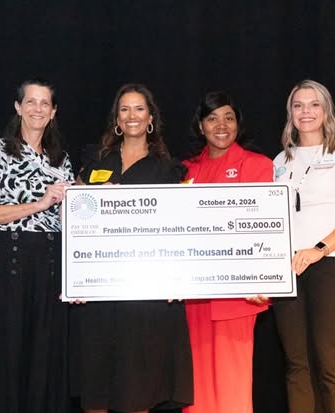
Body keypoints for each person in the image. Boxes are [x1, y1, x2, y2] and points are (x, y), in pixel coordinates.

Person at [74, 83, 193, 413]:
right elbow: (73, 216)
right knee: (96, 388)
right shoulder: (96, 159)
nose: (132, 116)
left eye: (139, 108)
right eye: (124, 109)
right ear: (116, 117)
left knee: (137, 389)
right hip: (99, 290)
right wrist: (76, 276)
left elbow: (180, 229)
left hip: (146, 293)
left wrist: (177, 277)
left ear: (151, 116)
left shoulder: (170, 169)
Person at [0, 78, 75, 413]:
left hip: (50, 264)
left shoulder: (62, 160)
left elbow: (78, 213)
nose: (37, 109)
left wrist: (108, 196)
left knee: (44, 355)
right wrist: (39, 204)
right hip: (7, 261)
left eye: (45, 103)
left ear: (54, 112)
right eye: (30, 102)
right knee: (5, 352)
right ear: (18, 107)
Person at [273, 79, 335, 413]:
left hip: (329, 264)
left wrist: (317, 250)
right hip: (287, 271)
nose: (306, 112)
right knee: (295, 364)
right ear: (290, 112)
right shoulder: (278, 162)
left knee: (329, 361)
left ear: (326, 109)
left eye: (314, 104)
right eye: (299, 105)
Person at [182, 90, 273, 413]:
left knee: (232, 386)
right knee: (195, 388)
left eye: (229, 117)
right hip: (193, 296)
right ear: (201, 126)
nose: (221, 125)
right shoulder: (185, 170)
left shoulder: (258, 165)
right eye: (212, 118)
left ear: (238, 124)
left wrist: (264, 277)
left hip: (238, 294)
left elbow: (268, 227)